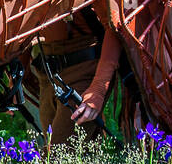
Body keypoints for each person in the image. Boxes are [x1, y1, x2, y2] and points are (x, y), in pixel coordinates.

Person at [32, 13, 122, 143]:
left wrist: (97, 90)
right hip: (48, 74)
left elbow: (116, 23)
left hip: (83, 71)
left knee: (57, 158)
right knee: (59, 152)